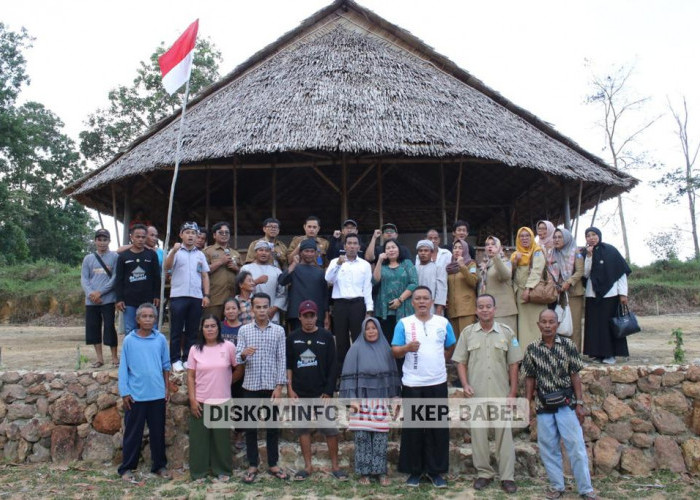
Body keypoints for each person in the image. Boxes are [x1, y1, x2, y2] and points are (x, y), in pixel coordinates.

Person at [522, 309, 596, 499]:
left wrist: (579, 403)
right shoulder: (532, 349)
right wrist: (528, 404)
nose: (547, 325)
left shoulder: (568, 345)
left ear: (557, 324)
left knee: (576, 446)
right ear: (538, 324)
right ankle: (557, 486)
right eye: (544, 322)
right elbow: (529, 378)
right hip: (543, 405)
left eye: (551, 322)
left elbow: (575, 376)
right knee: (548, 448)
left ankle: (586, 489)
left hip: (566, 403)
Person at [452, 294, 522, 494]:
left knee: (504, 436)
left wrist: (513, 392)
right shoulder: (467, 333)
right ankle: (484, 473)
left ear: (494, 309)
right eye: (481, 307)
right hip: (477, 393)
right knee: (479, 435)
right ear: (476, 310)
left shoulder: (507, 333)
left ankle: (507, 477)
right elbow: (461, 362)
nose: (484, 310)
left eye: (488, 306)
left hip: (501, 392)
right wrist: (465, 384)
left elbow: (514, 364)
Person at [391, 286, 456, 488]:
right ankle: (415, 471)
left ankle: (436, 472)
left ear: (431, 301)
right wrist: (407, 348)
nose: (421, 302)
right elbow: (394, 352)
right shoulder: (404, 323)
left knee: (437, 429)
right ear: (412, 302)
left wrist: (440, 361)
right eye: (417, 298)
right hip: (413, 383)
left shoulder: (443, 323)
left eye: (425, 298)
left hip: (437, 382)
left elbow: (451, 346)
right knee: (414, 430)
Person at [286, 300, 346, 481]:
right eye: (305, 316)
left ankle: (336, 466)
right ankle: (307, 467)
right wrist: (289, 389)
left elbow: (332, 366)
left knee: (330, 430)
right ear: (300, 317)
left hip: (322, 393)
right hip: (300, 392)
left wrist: (329, 391)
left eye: (312, 316)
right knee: (302, 430)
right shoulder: (292, 338)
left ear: (317, 316)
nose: (309, 319)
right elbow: (288, 365)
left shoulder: (326, 336)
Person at [340, 317, 401, 487]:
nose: (371, 331)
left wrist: (395, 398)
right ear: (363, 331)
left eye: (374, 328)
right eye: (368, 329)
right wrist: (351, 399)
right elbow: (348, 374)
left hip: (380, 401)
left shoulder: (386, 349)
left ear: (379, 330)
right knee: (362, 438)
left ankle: (380, 472)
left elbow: (392, 376)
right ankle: (364, 473)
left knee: (380, 438)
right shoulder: (356, 349)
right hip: (361, 400)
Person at [235, 293, 289, 483]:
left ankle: (273, 463)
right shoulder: (244, 331)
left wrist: (280, 385)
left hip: (271, 386)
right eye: (257, 307)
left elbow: (282, 359)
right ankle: (252, 464)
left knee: (272, 427)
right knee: (250, 427)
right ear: (251, 309)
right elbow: (236, 357)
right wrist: (243, 353)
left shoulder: (279, 331)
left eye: (264, 307)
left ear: (270, 308)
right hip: (250, 385)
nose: (261, 310)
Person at [117, 303, 171, 482]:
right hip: (136, 396)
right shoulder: (129, 340)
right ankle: (126, 468)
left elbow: (165, 366)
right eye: (144, 316)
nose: (148, 319)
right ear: (137, 319)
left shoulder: (160, 339)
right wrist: (125, 392)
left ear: (155, 319)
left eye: (151, 316)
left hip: (156, 394)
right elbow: (123, 368)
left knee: (157, 433)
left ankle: (159, 466)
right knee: (133, 434)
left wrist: (166, 388)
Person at [187, 314, 238, 482]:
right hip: (201, 400)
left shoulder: (229, 346)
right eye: (206, 326)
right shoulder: (195, 349)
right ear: (201, 329)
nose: (210, 329)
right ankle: (198, 472)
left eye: (213, 326)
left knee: (221, 440)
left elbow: (238, 368)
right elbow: (190, 377)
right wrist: (193, 400)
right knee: (199, 440)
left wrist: (227, 381)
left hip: (222, 400)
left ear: (219, 328)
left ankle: (222, 470)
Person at [165, 221, 211, 372]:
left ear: (198, 236)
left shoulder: (200, 255)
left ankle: (187, 358)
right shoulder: (176, 252)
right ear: (181, 235)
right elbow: (166, 267)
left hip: (196, 297)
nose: (191, 236)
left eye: (193, 233)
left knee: (192, 330)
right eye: (188, 232)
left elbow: (205, 275)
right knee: (176, 330)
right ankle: (175, 359)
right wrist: (172, 251)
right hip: (178, 296)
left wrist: (206, 295)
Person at [583, 227, 631, 364]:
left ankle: (611, 354)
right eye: (588, 235)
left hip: (610, 294)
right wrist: (589, 256)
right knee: (595, 326)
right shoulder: (585, 253)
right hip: (592, 294)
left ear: (599, 235)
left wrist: (623, 294)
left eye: (594, 235)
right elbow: (585, 274)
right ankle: (598, 354)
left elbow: (621, 272)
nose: (591, 238)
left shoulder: (611, 251)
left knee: (608, 325)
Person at [325, 233, 374, 366]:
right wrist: (339, 265)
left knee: (359, 337)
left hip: (358, 304)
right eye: (349, 243)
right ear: (344, 246)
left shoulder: (365, 265)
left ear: (359, 247)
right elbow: (328, 279)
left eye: (355, 243)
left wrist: (369, 310)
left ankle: (361, 368)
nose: (352, 246)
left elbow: (367, 288)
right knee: (341, 340)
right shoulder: (335, 262)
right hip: (340, 304)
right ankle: (343, 372)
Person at [81, 229, 119, 368]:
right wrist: (91, 293)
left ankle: (114, 357)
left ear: (109, 241)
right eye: (99, 239)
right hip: (91, 301)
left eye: (105, 240)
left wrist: (100, 292)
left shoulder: (115, 257)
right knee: (93, 328)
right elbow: (84, 279)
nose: (102, 243)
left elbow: (115, 278)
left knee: (109, 327)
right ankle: (99, 358)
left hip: (107, 299)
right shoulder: (88, 258)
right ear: (95, 241)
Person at [115, 224, 161, 335]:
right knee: (130, 330)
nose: (140, 239)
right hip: (129, 301)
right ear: (131, 237)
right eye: (137, 236)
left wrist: (156, 295)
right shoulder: (123, 256)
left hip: (148, 300)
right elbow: (119, 279)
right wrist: (119, 299)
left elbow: (156, 277)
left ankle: (151, 351)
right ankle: (131, 352)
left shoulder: (151, 255)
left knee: (151, 329)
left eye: (143, 237)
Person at [279, 238, 329, 332]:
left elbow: (325, 296)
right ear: (301, 252)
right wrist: (293, 264)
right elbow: (282, 281)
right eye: (306, 251)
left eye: (312, 251)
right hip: (297, 314)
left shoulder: (320, 272)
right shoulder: (294, 269)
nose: (309, 254)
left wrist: (326, 316)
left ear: (315, 253)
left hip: (317, 315)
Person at [373, 239, 418, 341]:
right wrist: (379, 261)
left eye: (393, 247)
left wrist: (399, 300)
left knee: (406, 339)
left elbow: (414, 283)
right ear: (384, 252)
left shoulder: (407, 263)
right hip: (385, 310)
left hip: (404, 307)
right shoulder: (382, 266)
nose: (391, 250)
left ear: (399, 249)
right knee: (388, 340)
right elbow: (375, 281)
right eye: (388, 248)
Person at [511, 227, 547, 347]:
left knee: (536, 323)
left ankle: (539, 352)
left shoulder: (537, 251)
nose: (524, 238)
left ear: (532, 237)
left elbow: (537, 271)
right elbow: (512, 274)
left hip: (533, 293)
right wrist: (515, 262)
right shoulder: (516, 254)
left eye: (527, 236)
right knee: (524, 325)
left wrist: (528, 289)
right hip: (520, 293)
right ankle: (525, 353)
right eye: (521, 236)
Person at [551, 228, 585, 351]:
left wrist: (568, 282)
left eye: (560, 237)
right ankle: (563, 352)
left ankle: (575, 354)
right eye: (554, 237)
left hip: (574, 293)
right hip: (559, 293)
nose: (556, 240)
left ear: (566, 239)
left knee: (574, 324)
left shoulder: (576, 253)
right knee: (561, 323)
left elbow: (580, 271)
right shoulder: (552, 253)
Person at [220, 297, 246, 450]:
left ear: (238, 310)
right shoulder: (219, 328)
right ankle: (220, 433)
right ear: (224, 311)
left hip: (240, 371)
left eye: (233, 308)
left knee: (239, 403)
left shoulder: (244, 329)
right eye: (227, 309)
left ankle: (239, 434)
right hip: (220, 371)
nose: (230, 311)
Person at [240, 241, 287, 324]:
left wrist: (273, 310)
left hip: (272, 314)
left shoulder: (277, 271)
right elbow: (242, 289)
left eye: (267, 251)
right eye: (260, 250)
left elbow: (282, 294)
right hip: (250, 313)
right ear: (255, 253)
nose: (264, 253)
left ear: (270, 254)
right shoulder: (246, 269)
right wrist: (256, 282)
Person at [479, 235, 518, 334]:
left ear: (499, 247)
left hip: (504, 311)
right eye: (487, 245)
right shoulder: (486, 264)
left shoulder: (505, 261)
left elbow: (506, 276)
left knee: (506, 341)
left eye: (493, 244)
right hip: (490, 311)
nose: (490, 247)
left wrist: (496, 257)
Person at [203, 221, 241, 319]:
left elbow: (243, 274)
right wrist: (220, 262)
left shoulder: (235, 253)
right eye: (221, 232)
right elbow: (202, 272)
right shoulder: (207, 251)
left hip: (232, 299)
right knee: (212, 326)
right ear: (214, 235)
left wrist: (236, 268)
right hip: (214, 298)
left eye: (227, 232)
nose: (224, 235)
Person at [446, 238, 478, 339]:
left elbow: (473, 282)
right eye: (455, 248)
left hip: (467, 310)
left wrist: (462, 266)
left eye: (460, 248)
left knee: (468, 340)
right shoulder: (449, 267)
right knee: (456, 343)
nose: (457, 250)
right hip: (452, 310)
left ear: (465, 250)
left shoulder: (471, 264)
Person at [415, 240, 447, 315]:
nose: (423, 253)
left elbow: (441, 289)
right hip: (416, 306)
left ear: (432, 253)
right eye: (420, 251)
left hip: (433, 308)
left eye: (426, 251)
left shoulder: (438, 268)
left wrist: (439, 310)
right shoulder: (414, 269)